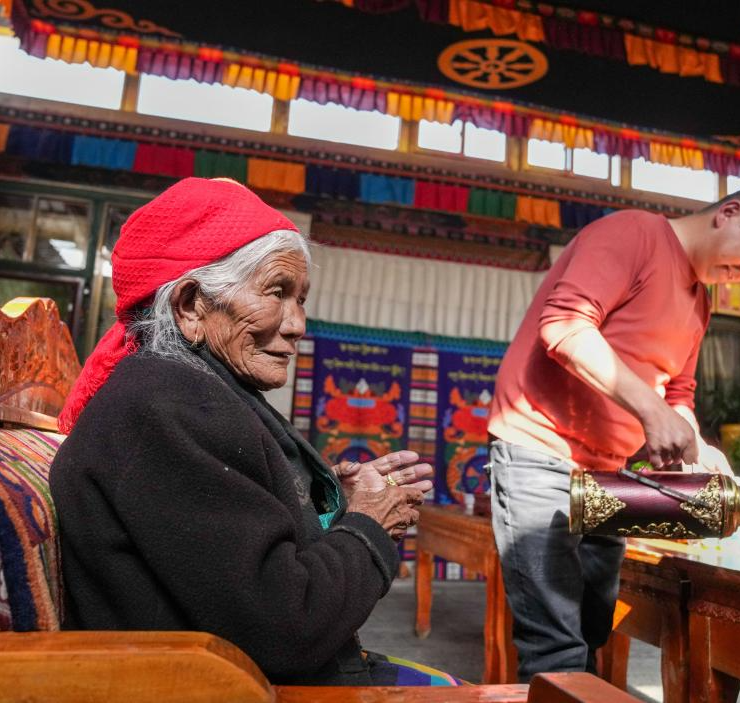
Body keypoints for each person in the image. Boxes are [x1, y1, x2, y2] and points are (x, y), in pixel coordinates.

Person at [49, 178, 448, 686]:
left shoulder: (188, 390)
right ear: (191, 306)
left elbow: (231, 547)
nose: (297, 324)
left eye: (301, 299)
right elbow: (290, 629)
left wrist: (333, 506)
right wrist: (370, 523)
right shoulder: (165, 407)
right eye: (277, 292)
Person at [487, 184, 740, 679]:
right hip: (539, 451)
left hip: (609, 474)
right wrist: (652, 412)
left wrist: (700, 449)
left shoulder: (699, 305)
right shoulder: (633, 233)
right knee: (555, 643)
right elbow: (565, 325)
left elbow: (678, 394)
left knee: (593, 626)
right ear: (730, 212)